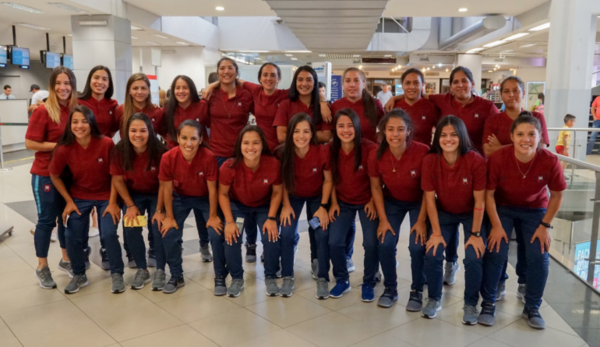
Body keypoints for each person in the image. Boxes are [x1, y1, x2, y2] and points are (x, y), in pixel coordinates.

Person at [387, 66, 499, 284]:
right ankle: (449, 261)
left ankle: (457, 263)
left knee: (468, 213)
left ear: (473, 84)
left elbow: (499, 131)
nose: (460, 85)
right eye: (455, 82)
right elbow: (417, 92)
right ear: (450, 86)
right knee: (448, 208)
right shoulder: (442, 100)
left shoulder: (487, 106)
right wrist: (396, 96)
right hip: (443, 163)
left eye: (464, 81)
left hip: (473, 169)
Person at [485, 113, 566, 329]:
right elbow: (488, 194)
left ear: (540, 137)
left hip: (535, 208)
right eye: (520, 134)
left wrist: (545, 226)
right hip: (503, 207)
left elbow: (557, 194)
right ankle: (488, 302)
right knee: (495, 250)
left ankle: (532, 307)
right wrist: (495, 225)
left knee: (539, 255)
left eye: (532, 134)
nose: (525, 139)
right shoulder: (499, 158)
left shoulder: (549, 160)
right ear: (512, 136)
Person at [421, 115, 488, 324]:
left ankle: (470, 303)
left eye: (453, 135)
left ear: (462, 136)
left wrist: (476, 234)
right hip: (445, 213)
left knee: (473, 256)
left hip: (471, 214)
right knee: (433, 251)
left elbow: (480, 201)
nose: (448, 139)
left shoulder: (475, 160)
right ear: (436, 137)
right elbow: (430, 200)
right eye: (443, 135)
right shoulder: (430, 160)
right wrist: (437, 233)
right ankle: (433, 298)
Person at [49, 105, 122, 294]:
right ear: (69, 125)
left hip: (106, 195)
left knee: (108, 234)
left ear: (91, 123)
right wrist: (69, 201)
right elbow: (54, 175)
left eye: (84, 121)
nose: (79, 125)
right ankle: (79, 274)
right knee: (72, 235)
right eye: (75, 122)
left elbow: (116, 175)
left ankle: (117, 273)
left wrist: (113, 203)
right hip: (79, 196)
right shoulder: (64, 148)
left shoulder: (106, 143)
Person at [368, 109, 429, 308]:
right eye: (390, 129)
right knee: (384, 243)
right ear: (384, 131)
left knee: (417, 246)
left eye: (400, 129)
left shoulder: (422, 152)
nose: (395, 134)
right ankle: (390, 288)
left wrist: (420, 221)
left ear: (408, 131)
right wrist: (383, 220)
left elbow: (428, 191)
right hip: (392, 202)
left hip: (419, 202)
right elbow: (376, 187)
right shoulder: (376, 154)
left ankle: (417, 290)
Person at [25, 67, 78, 289]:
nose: (62, 87)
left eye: (67, 83)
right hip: (45, 174)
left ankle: (66, 261)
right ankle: (42, 267)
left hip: (69, 175)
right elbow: (30, 143)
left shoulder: (76, 110)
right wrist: (61, 147)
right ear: (52, 86)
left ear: (73, 86)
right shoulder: (44, 111)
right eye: (58, 83)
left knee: (67, 219)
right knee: (47, 221)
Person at [215, 126, 282, 297]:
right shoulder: (229, 166)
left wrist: (272, 217)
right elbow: (222, 194)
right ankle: (237, 278)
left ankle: (270, 276)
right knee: (231, 237)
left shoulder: (273, 164)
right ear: (239, 145)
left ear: (262, 145)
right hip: (239, 205)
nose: (250, 147)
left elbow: (277, 192)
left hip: (264, 205)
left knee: (271, 236)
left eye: (255, 143)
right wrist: (229, 222)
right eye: (246, 143)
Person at [331, 67, 384, 273]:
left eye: (356, 80)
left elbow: (384, 130)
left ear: (364, 83)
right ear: (342, 84)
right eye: (347, 81)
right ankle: (347, 257)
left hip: (368, 161)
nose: (352, 84)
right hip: (344, 161)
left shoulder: (374, 104)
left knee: (371, 230)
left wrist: (377, 152)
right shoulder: (336, 105)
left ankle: (375, 267)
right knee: (346, 220)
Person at [158, 120, 221, 294]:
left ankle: (220, 276)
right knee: (169, 232)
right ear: (177, 138)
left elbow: (212, 190)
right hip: (180, 198)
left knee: (217, 233)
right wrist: (169, 217)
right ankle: (176, 276)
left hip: (204, 198)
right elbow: (166, 188)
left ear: (200, 139)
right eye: (184, 138)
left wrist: (213, 215)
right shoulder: (168, 157)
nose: (189, 143)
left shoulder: (208, 157)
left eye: (193, 138)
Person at [324, 108, 378, 300]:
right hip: (343, 202)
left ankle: (370, 281)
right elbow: (329, 180)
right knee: (334, 241)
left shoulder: (369, 148)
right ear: (335, 129)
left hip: (367, 201)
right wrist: (334, 203)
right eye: (340, 126)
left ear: (356, 127)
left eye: (349, 125)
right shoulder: (330, 149)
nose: (345, 130)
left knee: (371, 243)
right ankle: (341, 279)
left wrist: (372, 201)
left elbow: (377, 181)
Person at [279, 113, 333, 297]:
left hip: (318, 196)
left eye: (306, 131)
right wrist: (285, 205)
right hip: (292, 196)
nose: (301, 136)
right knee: (286, 232)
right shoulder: (283, 152)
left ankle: (322, 274)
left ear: (312, 134)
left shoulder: (322, 151)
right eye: (296, 131)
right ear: (290, 133)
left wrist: (323, 206)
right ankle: (287, 275)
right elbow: (283, 184)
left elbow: (328, 181)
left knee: (322, 232)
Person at [111, 113, 167, 290]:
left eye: (143, 130)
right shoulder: (120, 151)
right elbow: (118, 180)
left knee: (158, 228)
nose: (138, 135)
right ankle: (142, 269)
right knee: (131, 228)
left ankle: (160, 269)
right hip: (133, 195)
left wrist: (159, 209)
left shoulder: (160, 152)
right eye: (133, 130)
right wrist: (130, 206)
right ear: (127, 132)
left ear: (150, 131)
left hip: (157, 194)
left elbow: (164, 184)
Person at [483, 76, 550, 158]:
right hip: (501, 168)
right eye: (506, 91)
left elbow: (541, 150)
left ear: (523, 93)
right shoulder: (492, 120)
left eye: (516, 90)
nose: (511, 95)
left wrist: (500, 147)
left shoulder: (537, 117)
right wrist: (526, 147)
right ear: (501, 95)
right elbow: (488, 151)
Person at [274, 65, 333, 144]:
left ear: (315, 83)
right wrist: (312, 135)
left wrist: (295, 136)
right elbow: (281, 136)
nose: (304, 84)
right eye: (300, 80)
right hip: (292, 154)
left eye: (309, 80)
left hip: (316, 154)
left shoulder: (324, 107)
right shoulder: (285, 105)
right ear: (295, 83)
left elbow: (326, 136)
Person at [391, 68, 440, 145]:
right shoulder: (393, 106)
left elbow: (441, 132)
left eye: (416, 83)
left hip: (424, 155)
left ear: (422, 85)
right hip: (398, 155)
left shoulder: (431, 107)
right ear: (402, 85)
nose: (412, 87)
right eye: (407, 83)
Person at [115, 73, 164, 138]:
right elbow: (111, 132)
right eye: (135, 88)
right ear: (129, 90)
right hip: (126, 148)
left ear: (149, 90)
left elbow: (165, 135)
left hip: (151, 148)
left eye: (143, 88)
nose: (139, 92)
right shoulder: (120, 110)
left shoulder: (157, 112)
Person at [77, 65, 119, 138]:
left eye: (104, 79)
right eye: (96, 78)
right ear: (90, 80)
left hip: (106, 147)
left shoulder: (113, 105)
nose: (100, 82)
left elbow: (113, 130)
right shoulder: (78, 103)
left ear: (109, 84)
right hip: (83, 146)